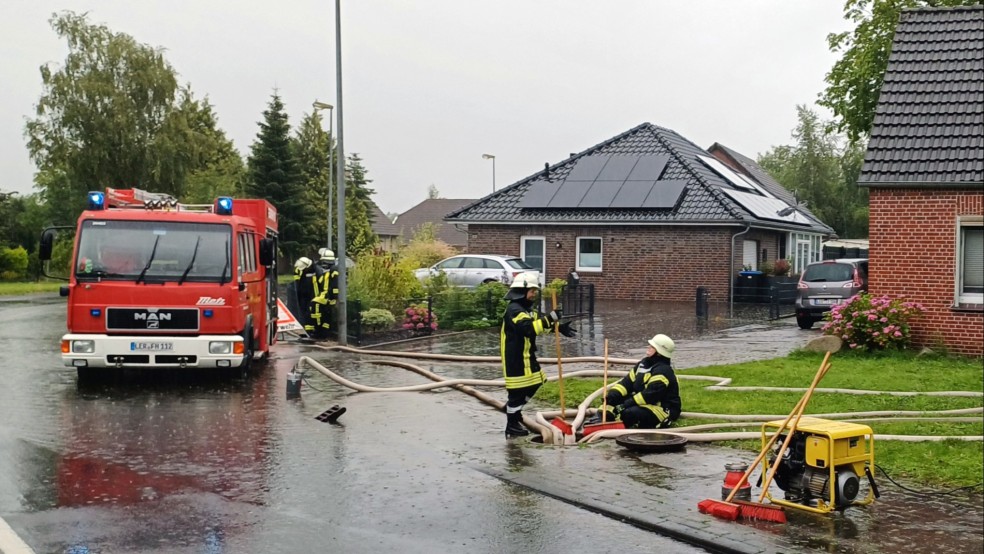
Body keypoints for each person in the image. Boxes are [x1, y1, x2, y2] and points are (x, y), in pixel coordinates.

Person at [500, 272, 577, 438]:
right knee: (517, 393)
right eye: (532, 291)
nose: (534, 294)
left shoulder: (526, 309)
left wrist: (559, 327)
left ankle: (515, 411)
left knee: (536, 383)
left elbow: (537, 323)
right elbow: (528, 329)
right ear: (522, 290)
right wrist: (550, 318)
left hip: (527, 356)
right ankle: (511, 424)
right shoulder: (514, 310)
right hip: (516, 359)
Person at [601, 333, 681, 429]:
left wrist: (625, 405)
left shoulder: (663, 371)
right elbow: (626, 383)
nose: (648, 347)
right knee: (607, 406)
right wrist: (613, 395)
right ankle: (601, 422)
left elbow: (649, 395)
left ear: (659, 352)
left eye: (652, 346)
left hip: (661, 408)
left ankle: (622, 426)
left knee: (630, 413)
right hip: (642, 404)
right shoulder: (643, 364)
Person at [310, 248, 339, 339]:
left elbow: (334, 285)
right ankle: (322, 331)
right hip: (326, 296)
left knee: (315, 305)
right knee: (326, 315)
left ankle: (319, 330)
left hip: (327, 296)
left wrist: (334, 298)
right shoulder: (327, 271)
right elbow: (323, 282)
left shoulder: (333, 270)